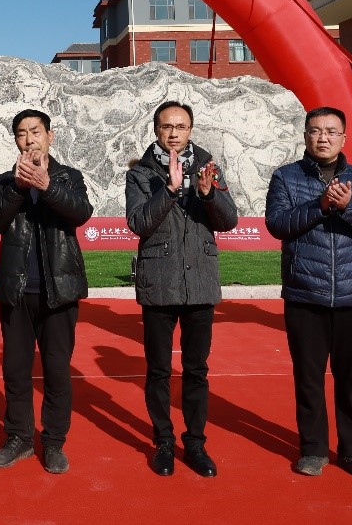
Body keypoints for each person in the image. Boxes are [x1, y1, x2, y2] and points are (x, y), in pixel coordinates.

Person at [265, 106, 352, 481]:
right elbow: (278, 224)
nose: (323, 138)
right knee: (309, 378)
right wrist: (319, 206)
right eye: (316, 131)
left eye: (331, 132)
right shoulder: (286, 178)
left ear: (343, 138)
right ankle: (313, 449)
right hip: (305, 294)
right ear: (305, 136)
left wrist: (349, 207)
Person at [125, 101, 237, 478]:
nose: (173, 133)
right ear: (156, 130)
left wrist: (208, 194)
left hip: (200, 281)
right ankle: (163, 441)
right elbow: (139, 222)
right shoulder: (141, 173)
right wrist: (170, 190)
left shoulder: (208, 167)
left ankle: (196, 442)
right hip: (159, 279)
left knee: (196, 369)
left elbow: (229, 220)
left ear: (190, 130)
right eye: (166, 126)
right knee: (159, 369)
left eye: (181, 126)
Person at [0, 109, 92, 475]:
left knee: (57, 371)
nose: (29, 139)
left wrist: (47, 186)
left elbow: (81, 213)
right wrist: (18, 187)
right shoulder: (5, 182)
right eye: (21, 133)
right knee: (15, 371)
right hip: (16, 290)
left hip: (59, 290)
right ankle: (19, 438)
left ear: (50, 136)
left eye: (35, 132)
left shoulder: (69, 177)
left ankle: (54, 441)